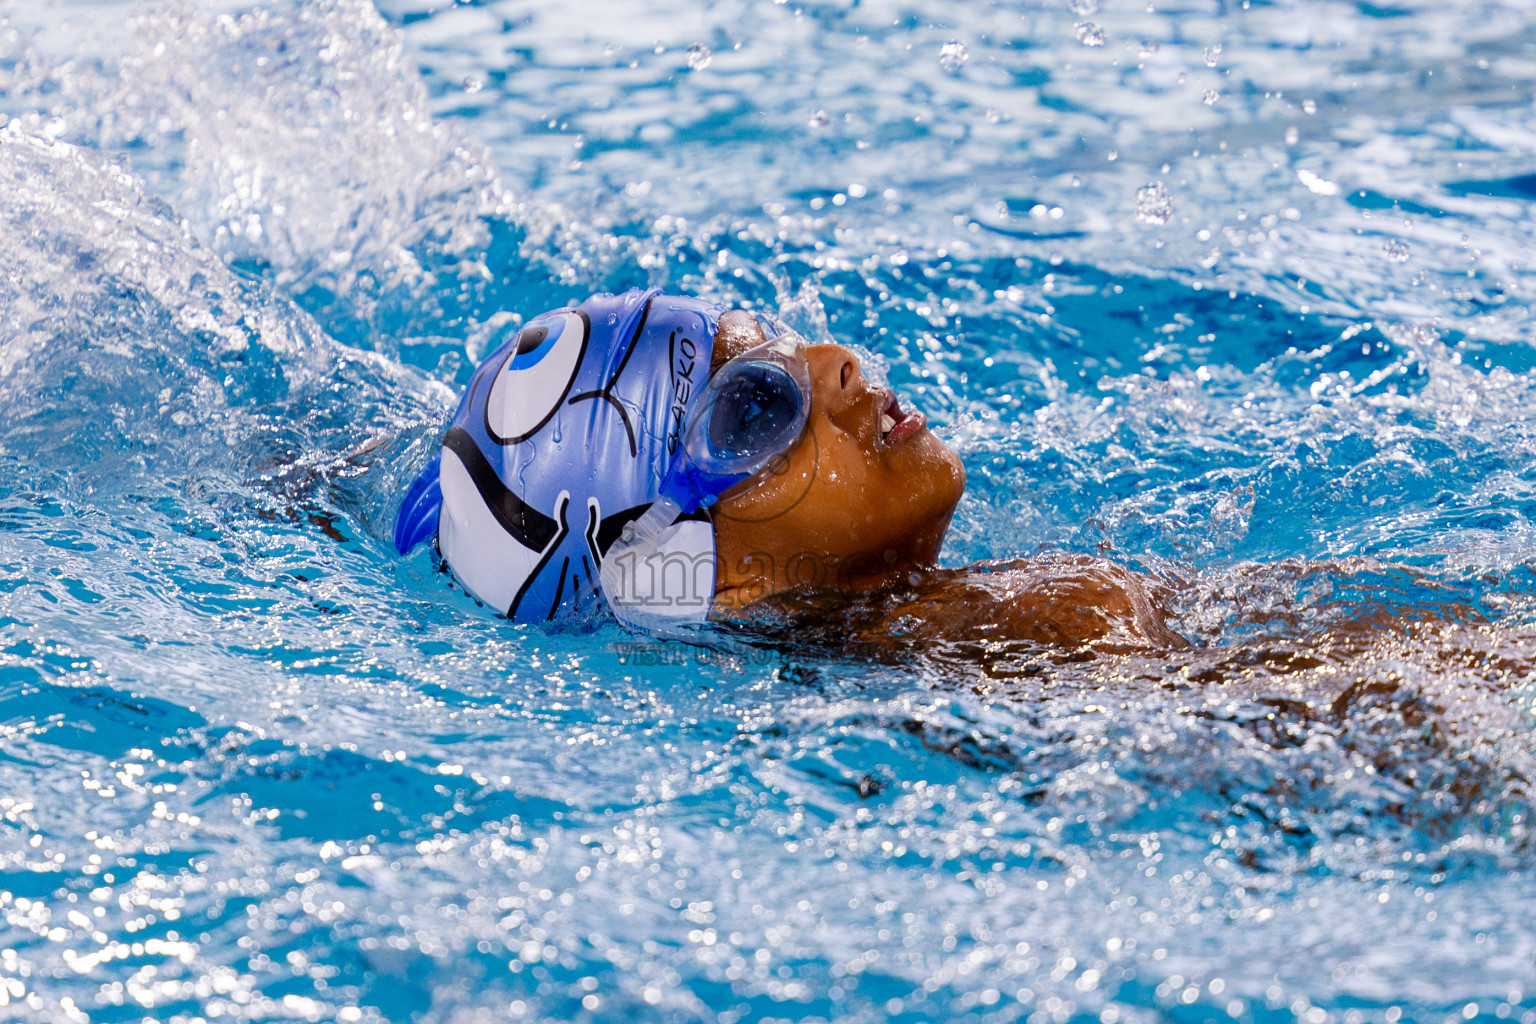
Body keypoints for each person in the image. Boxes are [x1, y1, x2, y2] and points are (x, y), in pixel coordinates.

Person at [394, 288, 1185, 650]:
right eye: (759, 408)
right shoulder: (1057, 623)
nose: (837, 363)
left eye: (784, 341)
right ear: (716, 581)